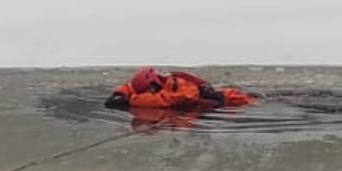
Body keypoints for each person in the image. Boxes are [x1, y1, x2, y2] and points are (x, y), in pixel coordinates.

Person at [105, 67, 256, 112]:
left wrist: (131, 101)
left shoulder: (178, 86)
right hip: (221, 98)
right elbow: (132, 88)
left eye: (149, 90)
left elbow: (165, 100)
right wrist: (121, 93)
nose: (148, 93)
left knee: (255, 101)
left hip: (229, 100)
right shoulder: (158, 85)